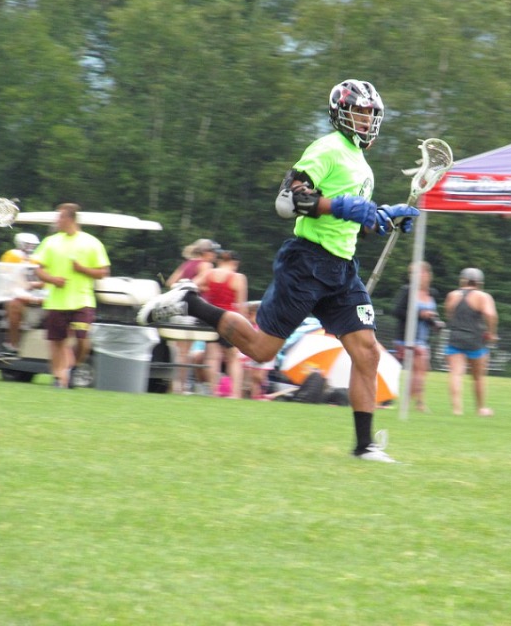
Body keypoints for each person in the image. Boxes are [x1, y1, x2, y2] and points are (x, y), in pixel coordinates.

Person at [138, 79, 419, 462]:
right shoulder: (327, 148)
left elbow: (352, 224)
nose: (366, 120)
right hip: (307, 264)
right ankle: (191, 301)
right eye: (359, 112)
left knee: (367, 353)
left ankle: (364, 446)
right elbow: (288, 201)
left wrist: (383, 218)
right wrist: (341, 206)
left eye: (371, 114)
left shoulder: (362, 164)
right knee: (261, 350)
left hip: (341, 270)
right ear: (340, 113)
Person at [32, 203, 111, 388]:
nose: (57, 221)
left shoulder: (91, 242)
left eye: (60, 217)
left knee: (82, 339)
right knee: (57, 341)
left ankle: (73, 367)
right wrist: (52, 279)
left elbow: (103, 272)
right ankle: (59, 377)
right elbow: (38, 269)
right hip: (56, 302)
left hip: (82, 301)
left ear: (70, 219)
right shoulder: (50, 242)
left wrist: (82, 269)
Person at [164, 238, 218, 394]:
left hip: (176, 307)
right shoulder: (206, 265)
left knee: (179, 351)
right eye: (213, 252)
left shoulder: (187, 263)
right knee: (185, 351)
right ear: (205, 252)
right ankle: (182, 387)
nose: (215, 255)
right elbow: (195, 284)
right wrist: (205, 288)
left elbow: (170, 282)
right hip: (190, 309)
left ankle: (175, 385)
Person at [443, 267, 498, 417]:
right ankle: (480, 408)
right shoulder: (482, 296)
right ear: (479, 282)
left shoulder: (452, 295)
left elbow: (449, 314)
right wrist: (492, 332)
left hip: (455, 338)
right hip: (475, 339)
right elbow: (491, 314)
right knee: (478, 377)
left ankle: (457, 410)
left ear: (463, 281)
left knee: (456, 374)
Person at [392, 261, 443, 413]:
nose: (414, 276)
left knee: (421, 372)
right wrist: (420, 314)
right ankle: (417, 403)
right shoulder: (407, 291)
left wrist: (434, 322)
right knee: (419, 371)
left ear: (427, 274)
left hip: (423, 339)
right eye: (412, 273)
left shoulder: (432, 293)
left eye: (418, 273)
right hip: (407, 338)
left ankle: (411, 401)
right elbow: (397, 311)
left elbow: (429, 316)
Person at [199, 250, 248, 399]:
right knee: (233, 358)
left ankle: (213, 392)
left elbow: (192, 286)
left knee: (212, 358)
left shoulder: (208, 274)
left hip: (211, 318)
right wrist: (244, 325)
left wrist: (204, 290)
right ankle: (235, 393)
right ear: (235, 263)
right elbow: (241, 305)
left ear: (220, 261)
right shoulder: (238, 277)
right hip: (229, 320)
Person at [0, 232, 46, 354]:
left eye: (33, 245)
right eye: (28, 244)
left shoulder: (37, 258)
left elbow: (43, 279)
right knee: (14, 304)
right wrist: (22, 285)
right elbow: (6, 276)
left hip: (35, 293)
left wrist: (32, 285)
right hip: (16, 292)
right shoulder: (12, 255)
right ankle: (13, 343)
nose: (31, 247)